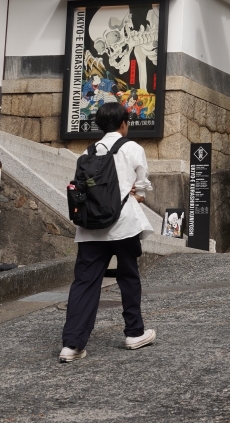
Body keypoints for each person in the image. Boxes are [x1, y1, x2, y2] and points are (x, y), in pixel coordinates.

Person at [59, 102, 156, 362]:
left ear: (100, 126)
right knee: (128, 277)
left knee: (85, 283)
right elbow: (142, 184)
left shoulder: (89, 151)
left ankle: (71, 345)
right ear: (124, 124)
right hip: (123, 224)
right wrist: (140, 194)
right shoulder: (132, 148)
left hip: (90, 229)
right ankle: (134, 333)